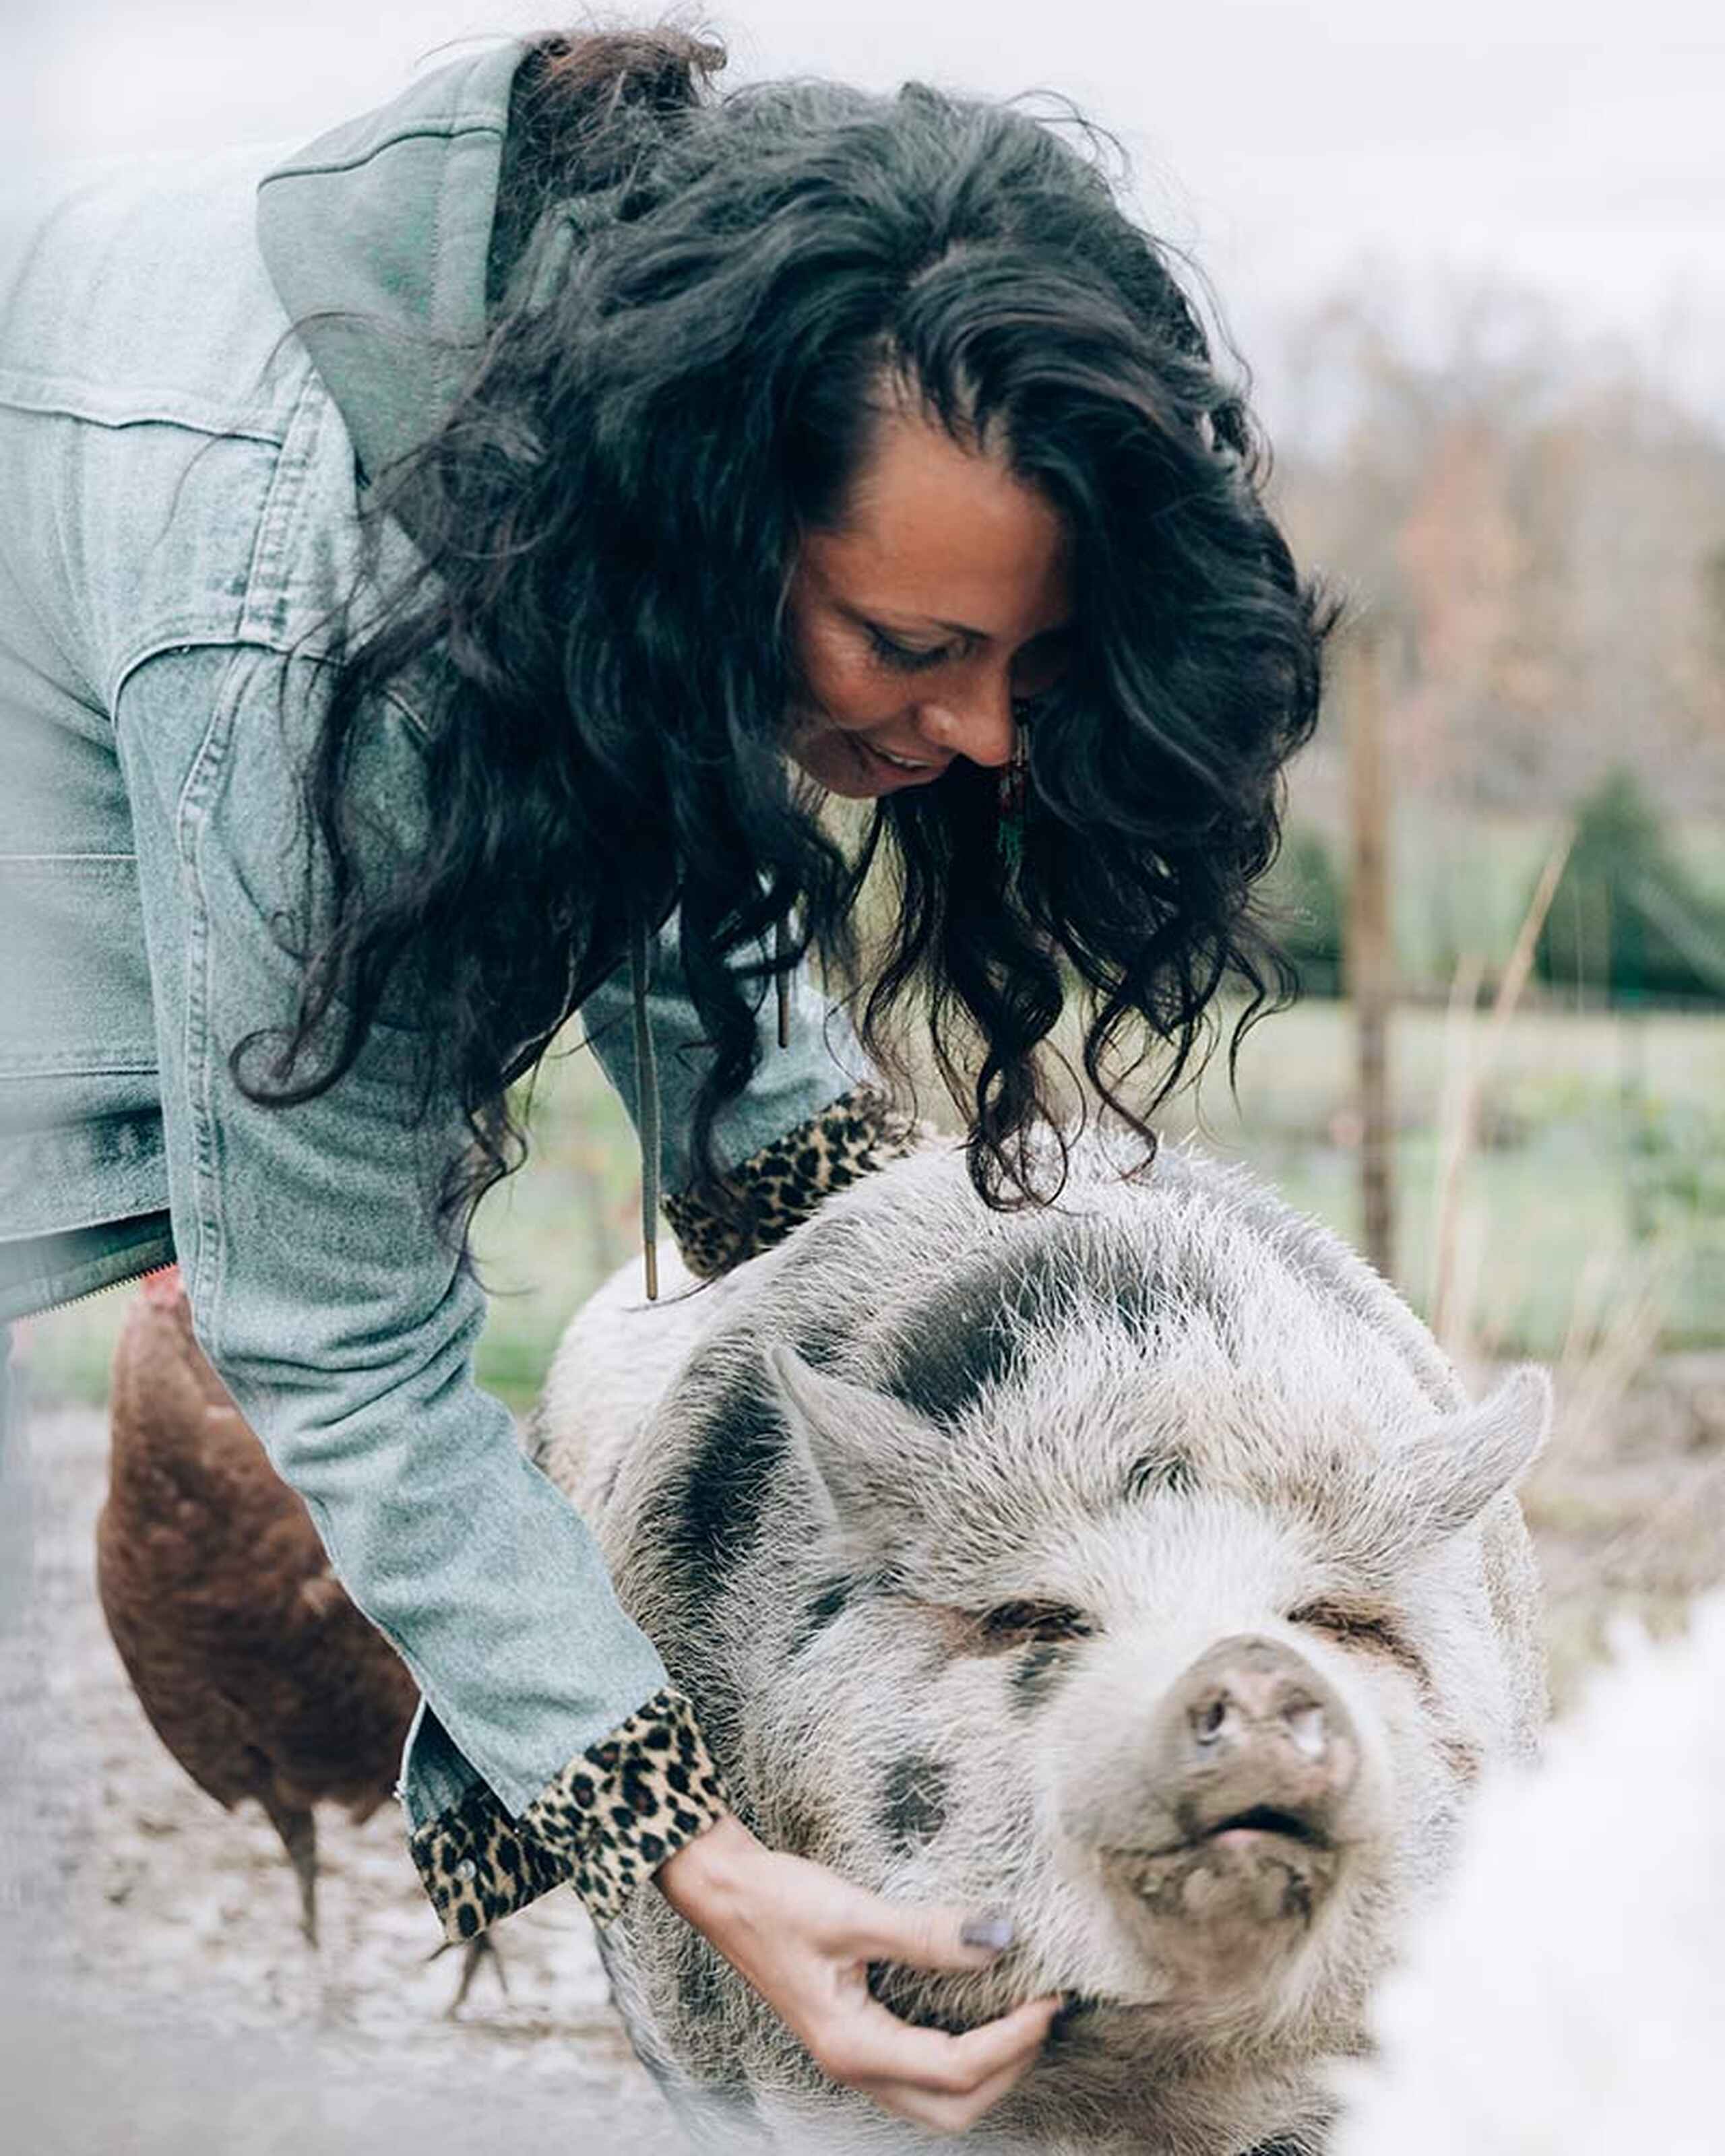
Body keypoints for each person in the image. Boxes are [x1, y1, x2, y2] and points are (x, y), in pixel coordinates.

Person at [0, 24, 1326, 2134]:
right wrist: (693, 1855)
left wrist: (962, 1326)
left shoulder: (592, 431)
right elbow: (328, 1339)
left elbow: (688, 936)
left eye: (1037, 665)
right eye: (917, 656)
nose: (988, 742)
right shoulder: (306, 634)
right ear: (710, 538)